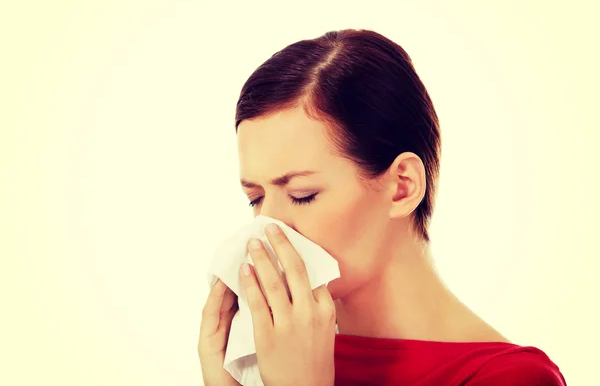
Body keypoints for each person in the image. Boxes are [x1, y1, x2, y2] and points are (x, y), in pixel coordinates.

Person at [198, 29, 566, 385]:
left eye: (302, 194)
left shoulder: (510, 378)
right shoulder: (271, 358)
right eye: (256, 199)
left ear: (402, 187)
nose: (267, 227)